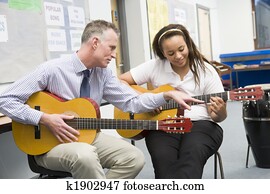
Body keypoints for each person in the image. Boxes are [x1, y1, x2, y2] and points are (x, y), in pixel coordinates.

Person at [0, 20, 202, 179]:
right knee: (85, 156)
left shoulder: (103, 74)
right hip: (50, 146)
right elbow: (5, 99)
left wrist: (165, 95)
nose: (114, 55)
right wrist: (44, 118)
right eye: (112, 48)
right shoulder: (52, 70)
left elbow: (132, 102)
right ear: (95, 43)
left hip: (88, 137)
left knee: (133, 158)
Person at [119, 23, 227, 179]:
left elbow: (218, 117)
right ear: (163, 53)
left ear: (188, 44)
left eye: (181, 49)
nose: (177, 56)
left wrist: (221, 111)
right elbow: (120, 82)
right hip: (164, 124)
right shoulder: (155, 66)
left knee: (192, 154)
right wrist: (144, 100)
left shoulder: (206, 70)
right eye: (170, 53)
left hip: (202, 124)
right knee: (163, 159)